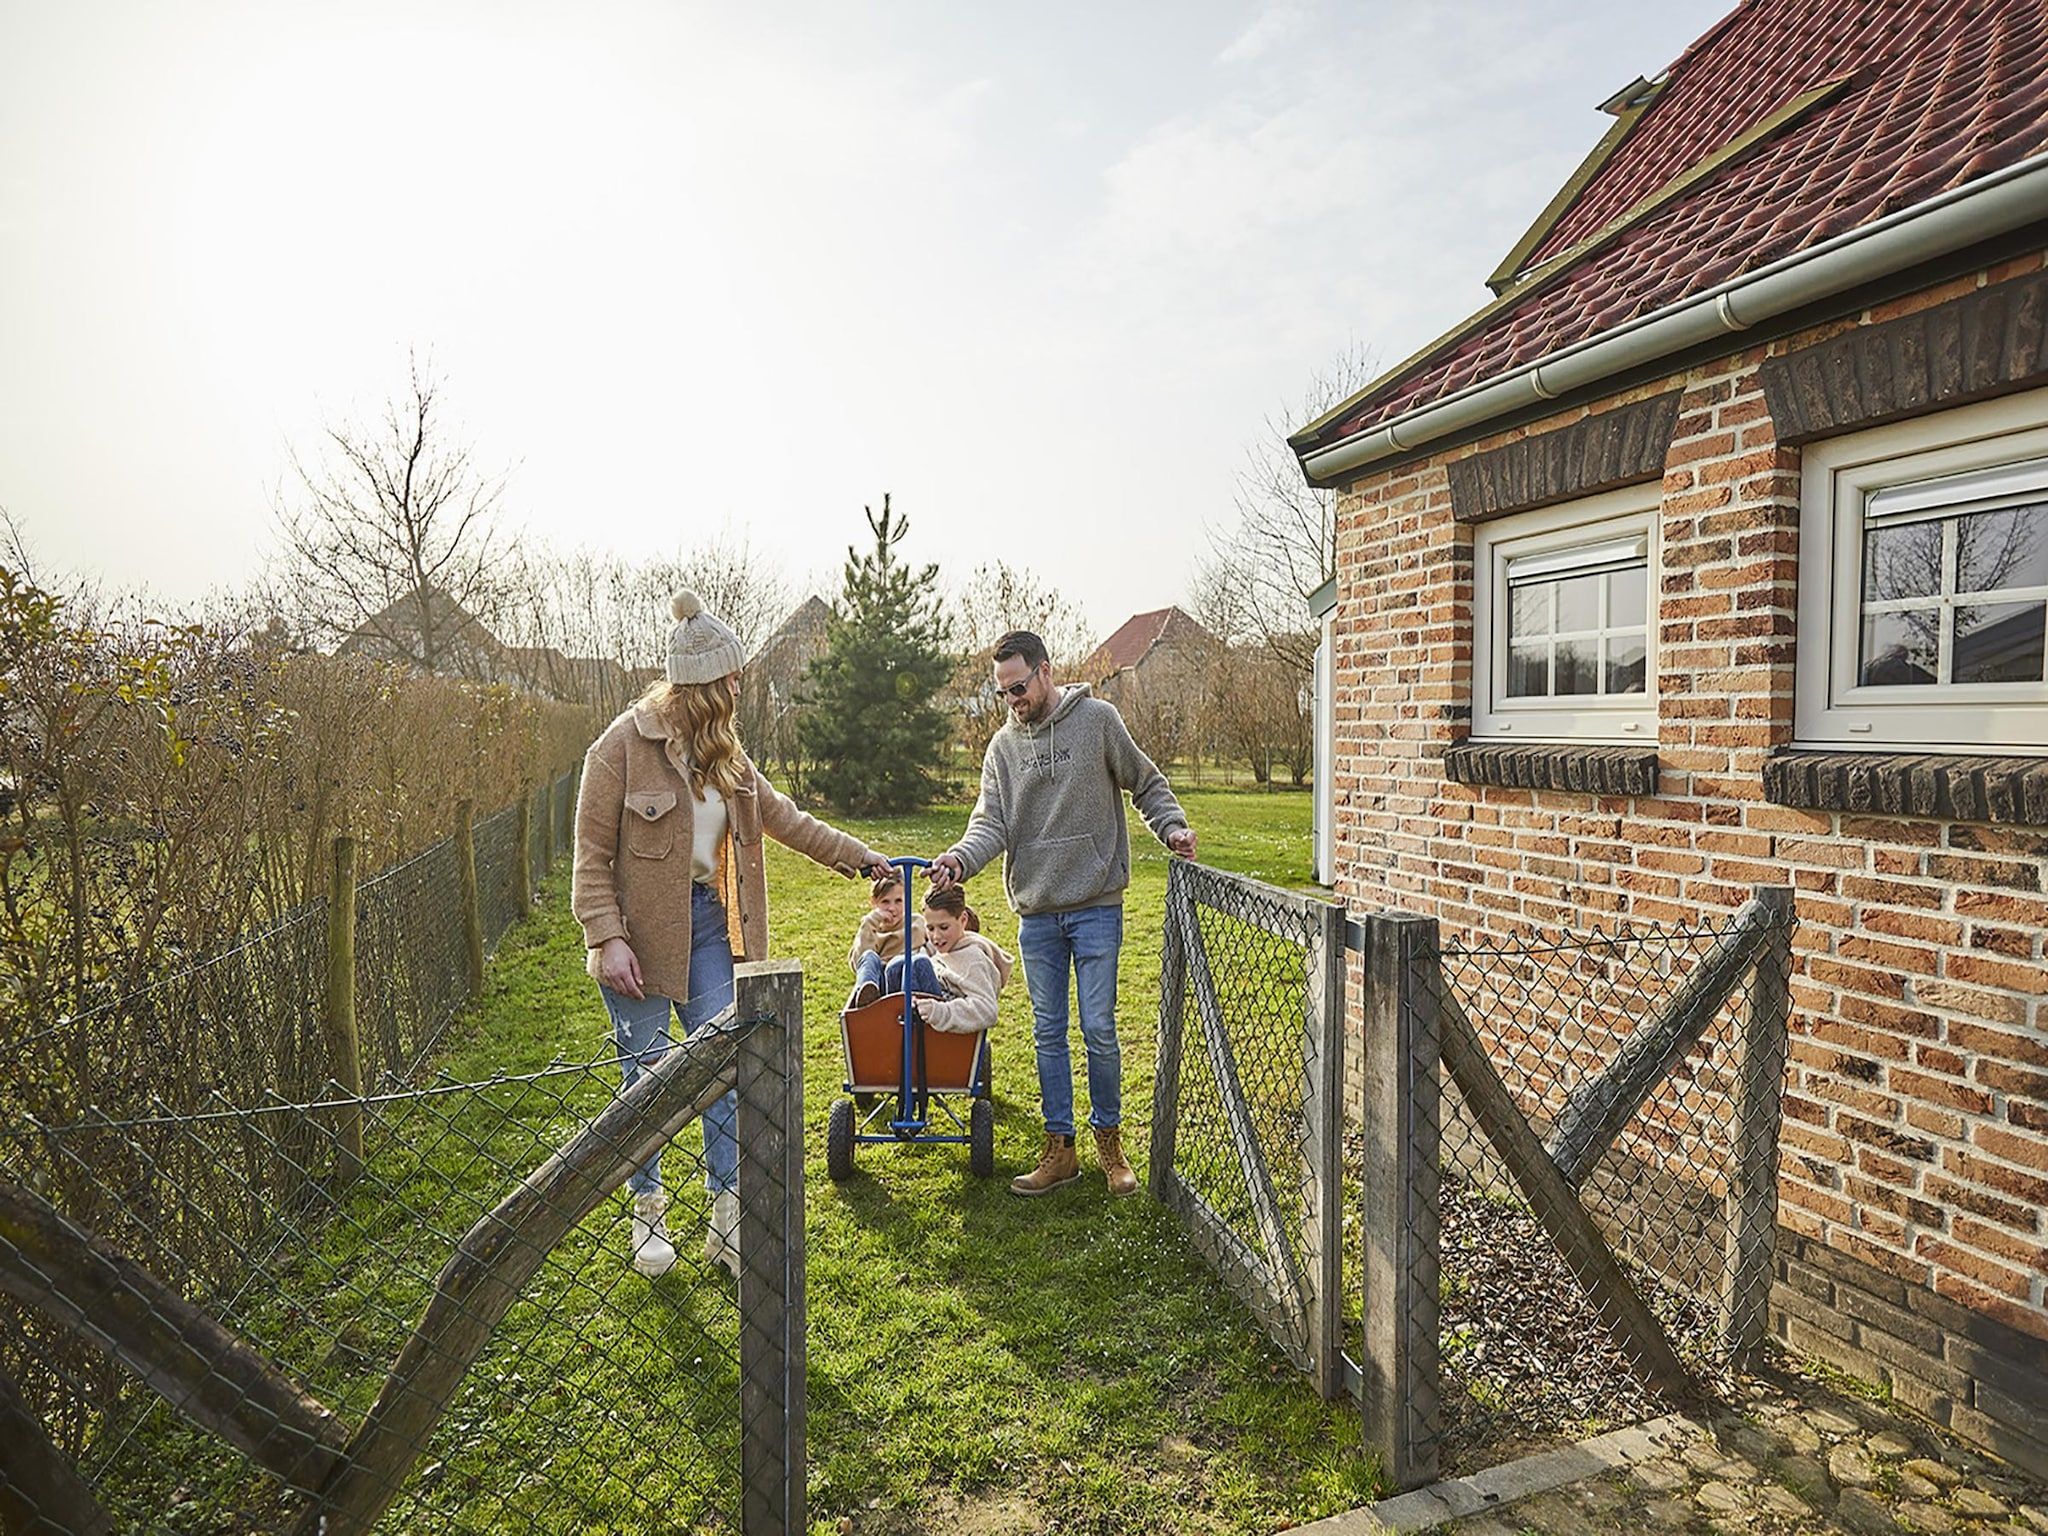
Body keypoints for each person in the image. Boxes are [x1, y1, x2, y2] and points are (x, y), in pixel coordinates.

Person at [574, 591, 886, 1279]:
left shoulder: (727, 756)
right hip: (635, 935)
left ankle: (727, 1220)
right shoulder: (619, 748)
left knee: (725, 1072)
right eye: (731, 677)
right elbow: (591, 856)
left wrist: (858, 856)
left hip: (710, 927)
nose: (740, 687)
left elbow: (788, 819)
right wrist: (607, 936)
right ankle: (647, 1213)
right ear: (701, 684)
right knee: (645, 1083)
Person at [930, 629, 1196, 1197]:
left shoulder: (1097, 720)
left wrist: (1171, 826)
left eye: (1019, 687)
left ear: (1046, 672)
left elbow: (1145, 782)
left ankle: (1110, 1144)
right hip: (1037, 914)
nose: (1013, 700)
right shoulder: (1002, 749)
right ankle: (1060, 1149)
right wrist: (959, 859)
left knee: (1099, 1029)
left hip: (1097, 904)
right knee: (1048, 1032)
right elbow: (990, 825)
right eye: (1003, 692)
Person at [911, 884, 1013, 1035]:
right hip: (924, 1016)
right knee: (895, 964)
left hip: (944, 1031)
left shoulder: (973, 959)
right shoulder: (943, 950)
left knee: (918, 963)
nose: (936, 937)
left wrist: (940, 1012)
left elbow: (987, 1010)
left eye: (944, 927)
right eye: (930, 928)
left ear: (963, 920)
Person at [847, 872, 929, 1008]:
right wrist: (870, 922)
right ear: (874, 902)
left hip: (906, 981)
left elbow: (933, 946)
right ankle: (866, 999)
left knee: (912, 961)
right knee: (868, 956)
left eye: (898, 901)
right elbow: (858, 963)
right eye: (885, 902)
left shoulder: (917, 923)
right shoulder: (871, 929)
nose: (892, 908)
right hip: (882, 988)